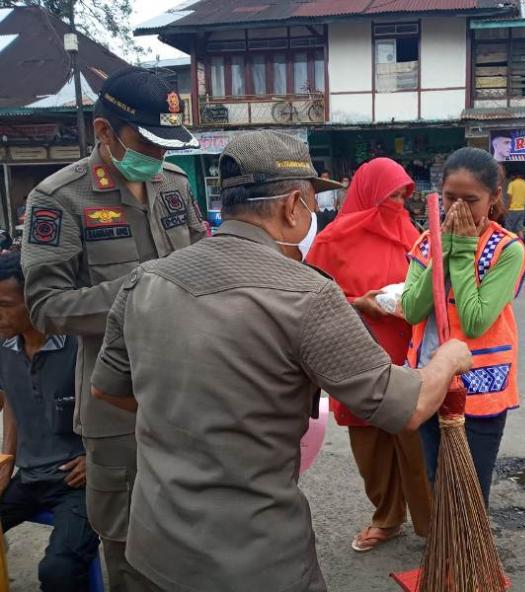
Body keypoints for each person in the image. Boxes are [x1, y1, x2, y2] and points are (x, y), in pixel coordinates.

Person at [89, 131, 472, 592]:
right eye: (310, 203)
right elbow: (405, 408)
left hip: (155, 546)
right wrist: (447, 358)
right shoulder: (306, 293)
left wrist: (189, 417)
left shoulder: (144, 280)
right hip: (254, 557)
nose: (311, 215)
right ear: (293, 205)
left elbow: (107, 389)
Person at [20, 67, 206, 591]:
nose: (160, 155)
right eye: (147, 142)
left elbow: (202, 262)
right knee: (127, 542)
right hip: (115, 400)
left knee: (193, 525)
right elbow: (47, 308)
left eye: (167, 144)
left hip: (189, 392)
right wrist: (145, 288)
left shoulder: (171, 185)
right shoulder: (60, 198)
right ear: (104, 132)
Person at [307, 158, 433, 552]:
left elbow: (427, 289)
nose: (395, 204)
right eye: (388, 195)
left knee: (414, 442)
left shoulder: (411, 233)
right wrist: (359, 303)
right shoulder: (332, 241)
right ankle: (388, 516)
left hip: (405, 356)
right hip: (352, 356)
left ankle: (432, 525)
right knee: (370, 449)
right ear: (366, 193)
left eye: (401, 196)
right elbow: (311, 298)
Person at [401, 147, 525, 506]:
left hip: (481, 388)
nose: (456, 209)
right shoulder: (427, 243)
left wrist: (460, 251)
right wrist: (443, 251)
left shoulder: (507, 250)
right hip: (429, 380)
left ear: (494, 198)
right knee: (437, 480)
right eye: (449, 198)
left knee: (469, 488)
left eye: (470, 200)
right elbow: (411, 309)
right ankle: (445, 555)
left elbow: (474, 321)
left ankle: (471, 559)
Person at [0, 251, 99, 591]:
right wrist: (7, 458)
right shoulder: (5, 347)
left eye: (5, 304)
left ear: (35, 301)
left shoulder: (81, 345)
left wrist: (96, 458)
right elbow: (13, 400)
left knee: (59, 570)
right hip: (29, 477)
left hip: (77, 482)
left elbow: (122, 406)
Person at [505, 172, 525, 239]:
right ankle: (523, 244)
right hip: (522, 209)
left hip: (512, 209)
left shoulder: (512, 184)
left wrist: (507, 208)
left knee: (509, 228)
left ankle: (509, 243)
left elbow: (510, 197)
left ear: (515, 176)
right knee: (519, 229)